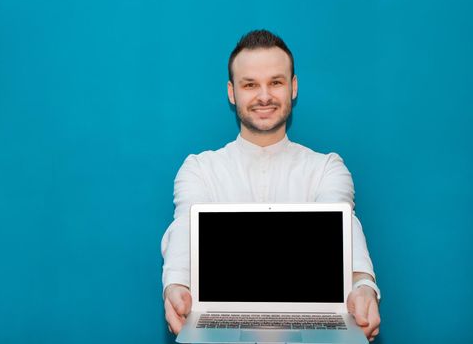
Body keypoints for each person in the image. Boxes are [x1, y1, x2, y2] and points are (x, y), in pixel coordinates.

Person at [161, 29, 381, 341]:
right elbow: (184, 231)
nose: (264, 96)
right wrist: (176, 286)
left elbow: (346, 233)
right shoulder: (199, 169)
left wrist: (363, 288)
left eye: (275, 82)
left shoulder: (327, 168)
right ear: (232, 92)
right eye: (250, 84)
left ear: (293, 87)